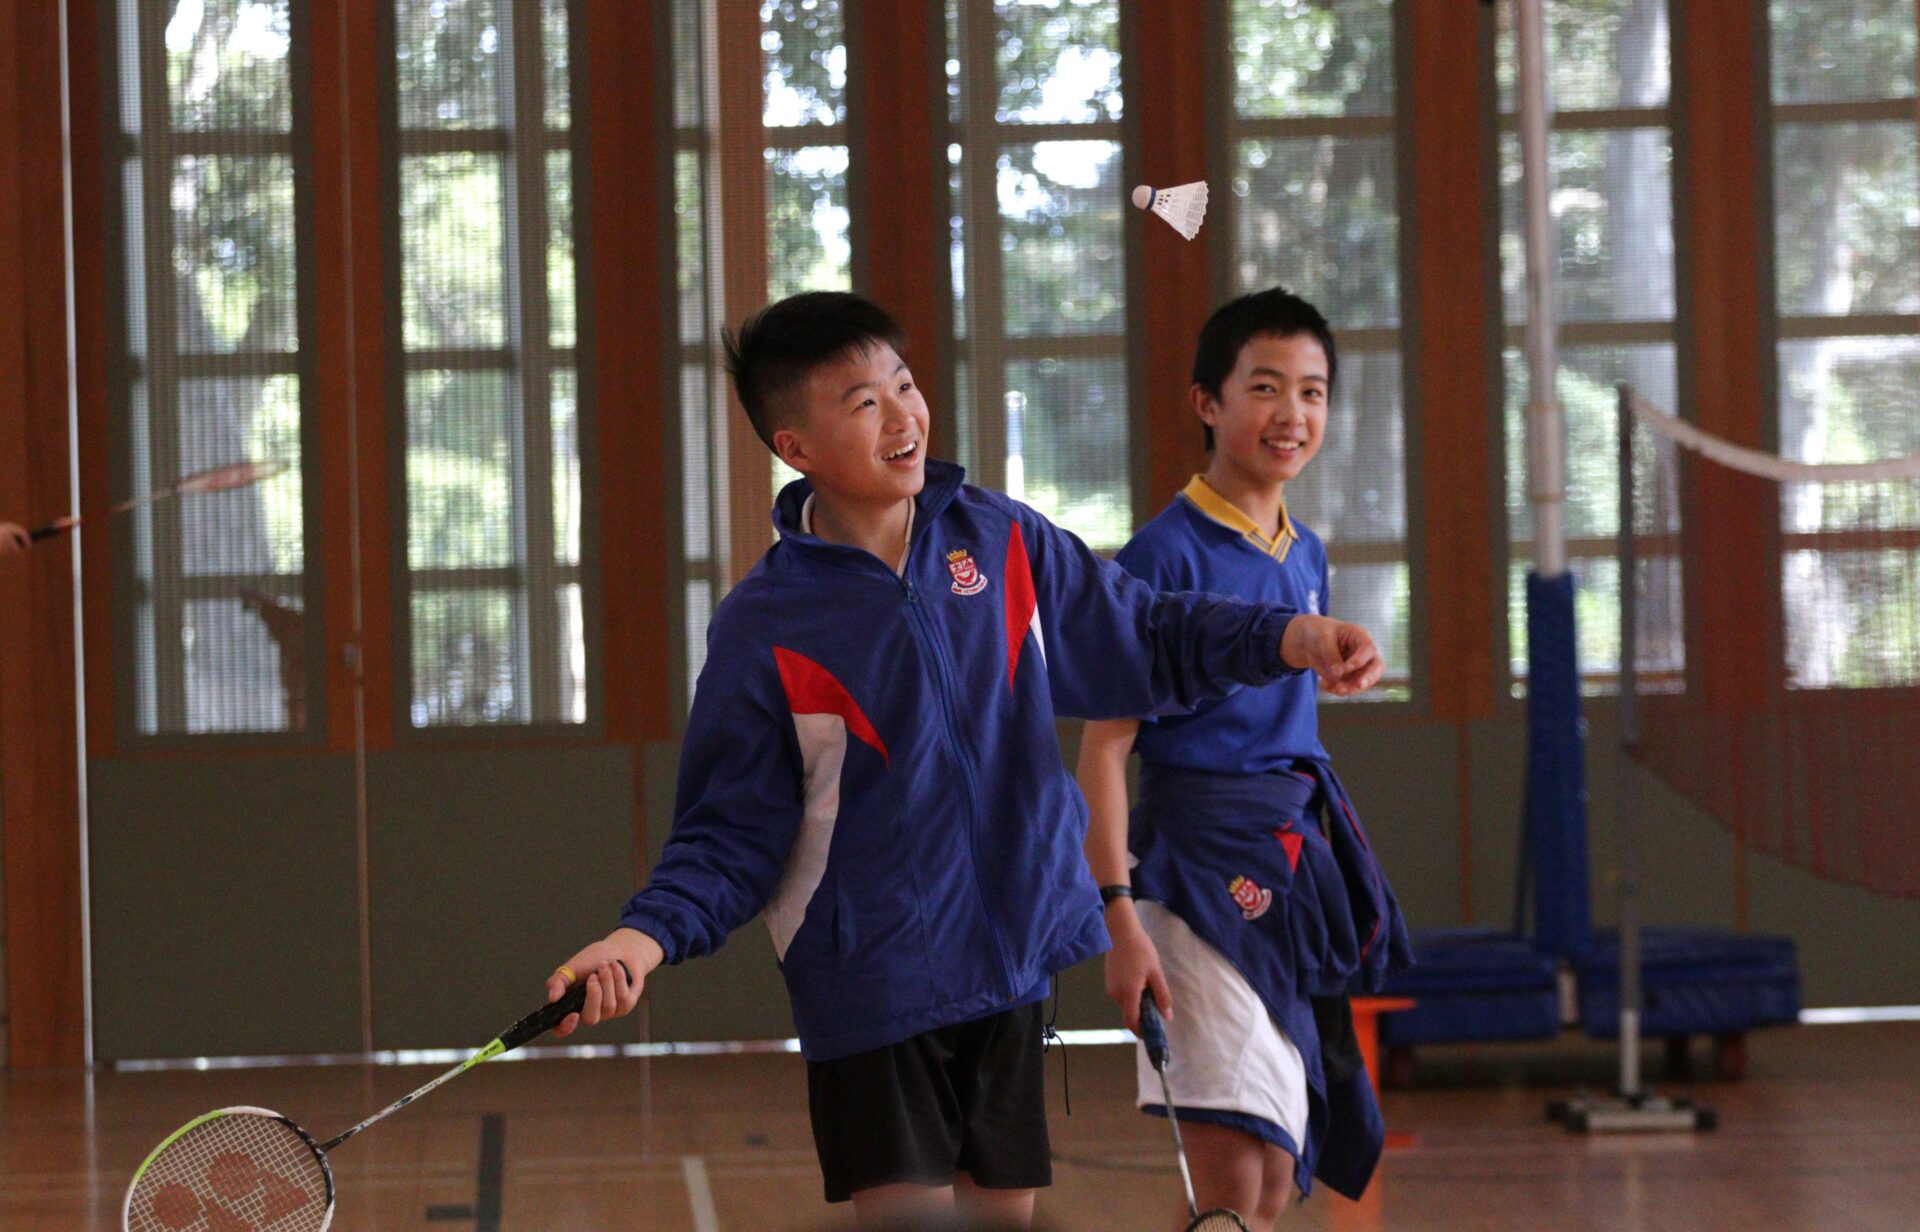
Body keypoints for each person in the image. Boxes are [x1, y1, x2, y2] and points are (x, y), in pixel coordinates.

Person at [540, 291, 1384, 1228]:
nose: (904, 415)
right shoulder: (765, 627)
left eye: (904, 384)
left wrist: (1289, 637)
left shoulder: (1001, 538)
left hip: (1012, 968)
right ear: (796, 447)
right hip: (875, 988)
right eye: (863, 402)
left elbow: (1142, 633)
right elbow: (728, 832)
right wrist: (641, 938)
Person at [1076, 289, 1413, 1230]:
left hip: (1288, 866)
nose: (1291, 414)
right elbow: (1102, 753)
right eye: (1265, 387)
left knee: (1272, 1181)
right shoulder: (1157, 558)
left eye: (1312, 392)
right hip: (1192, 873)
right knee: (1232, 1179)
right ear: (1207, 404)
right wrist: (1119, 921)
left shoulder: (1308, 553)